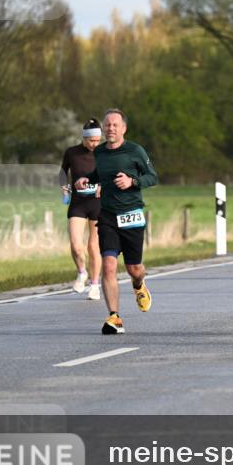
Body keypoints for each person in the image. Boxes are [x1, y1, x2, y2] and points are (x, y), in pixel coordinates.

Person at [74, 109, 158, 333]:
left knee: (134, 268)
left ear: (123, 129)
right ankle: (114, 317)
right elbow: (99, 174)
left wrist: (132, 181)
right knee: (109, 265)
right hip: (108, 215)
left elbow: (153, 176)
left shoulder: (135, 151)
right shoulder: (100, 152)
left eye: (115, 125)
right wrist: (86, 179)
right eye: (107, 125)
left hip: (131, 215)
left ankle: (139, 284)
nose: (110, 128)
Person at [60, 119, 103, 301]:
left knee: (93, 247)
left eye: (97, 140)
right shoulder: (72, 153)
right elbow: (62, 172)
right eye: (91, 140)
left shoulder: (104, 153)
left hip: (97, 203)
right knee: (76, 246)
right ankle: (82, 272)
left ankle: (94, 285)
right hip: (77, 203)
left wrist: (103, 185)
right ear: (84, 138)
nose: (94, 144)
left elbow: (111, 173)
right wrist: (63, 186)